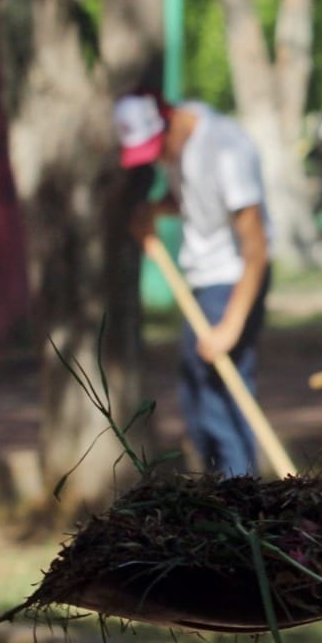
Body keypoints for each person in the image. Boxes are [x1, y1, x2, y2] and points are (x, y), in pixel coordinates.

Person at [115, 92, 273, 478]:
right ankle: (218, 493)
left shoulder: (226, 149)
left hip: (234, 280)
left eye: (158, 147)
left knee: (219, 397)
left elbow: (256, 249)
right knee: (194, 397)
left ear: (172, 122)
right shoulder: (178, 145)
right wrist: (152, 209)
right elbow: (190, 199)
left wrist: (230, 326)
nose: (157, 158)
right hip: (203, 283)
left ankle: (242, 499)